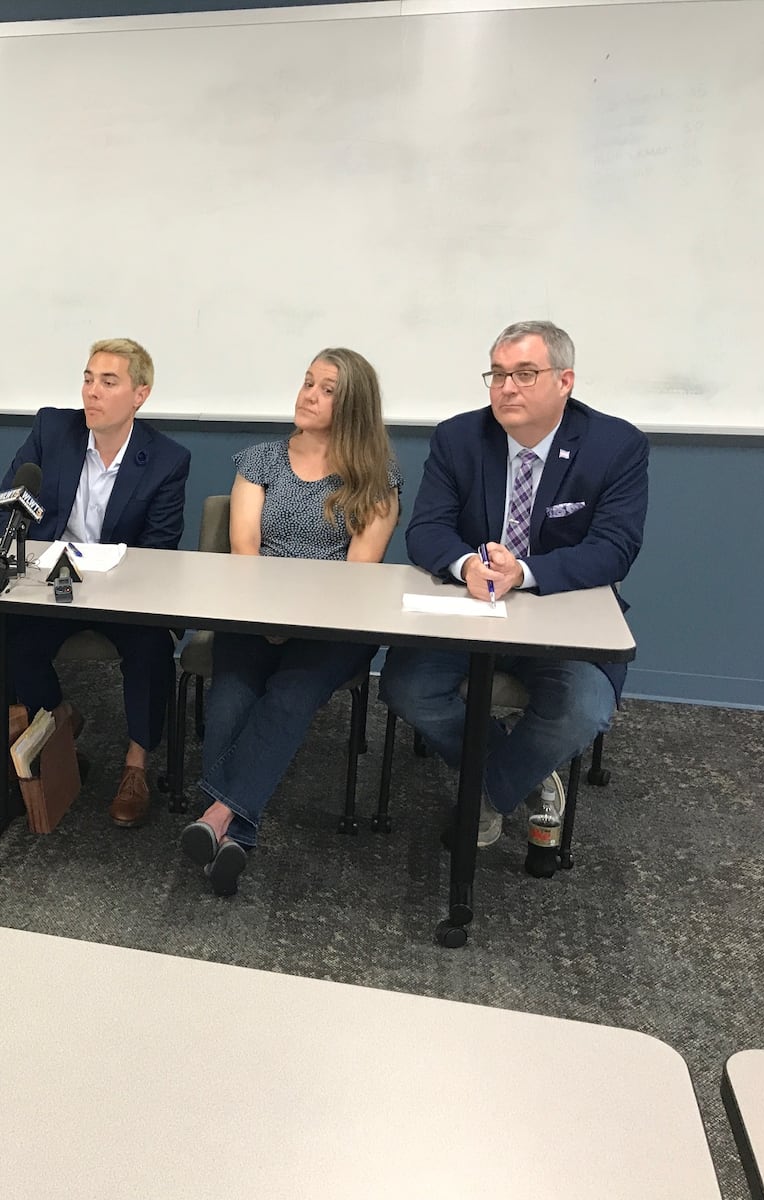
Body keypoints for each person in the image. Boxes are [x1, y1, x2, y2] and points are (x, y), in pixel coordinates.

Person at [379, 320, 649, 847]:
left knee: (583, 708)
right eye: (498, 374)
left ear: (565, 381)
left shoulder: (615, 445)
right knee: (404, 687)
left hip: (560, 617)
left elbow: (614, 549)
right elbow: (427, 529)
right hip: (469, 608)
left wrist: (523, 572)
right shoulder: (460, 437)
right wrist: (465, 565)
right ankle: (523, 772)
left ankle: (487, 792)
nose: (507, 387)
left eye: (525, 373)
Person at [183, 349, 400, 897]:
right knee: (232, 694)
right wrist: (268, 619)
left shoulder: (377, 478)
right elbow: (244, 547)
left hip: (334, 627)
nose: (308, 394)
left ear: (352, 405)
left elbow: (358, 573)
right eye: (307, 383)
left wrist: (297, 624)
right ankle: (236, 836)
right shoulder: (258, 460)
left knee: (290, 694)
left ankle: (216, 819)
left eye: (326, 389)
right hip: (254, 612)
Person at [0, 338, 190, 827]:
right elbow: (7, 508)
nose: (92, 392)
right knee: (13, 636)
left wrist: (108, 575)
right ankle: (57, 725)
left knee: (150, 649)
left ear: (139, 395)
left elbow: (159, 549)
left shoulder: (167, 459)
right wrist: (39, 556)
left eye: (108, 381)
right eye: (87, 378)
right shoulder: (51, 429)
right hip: (53, 580)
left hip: (124, 589)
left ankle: (136, 765)